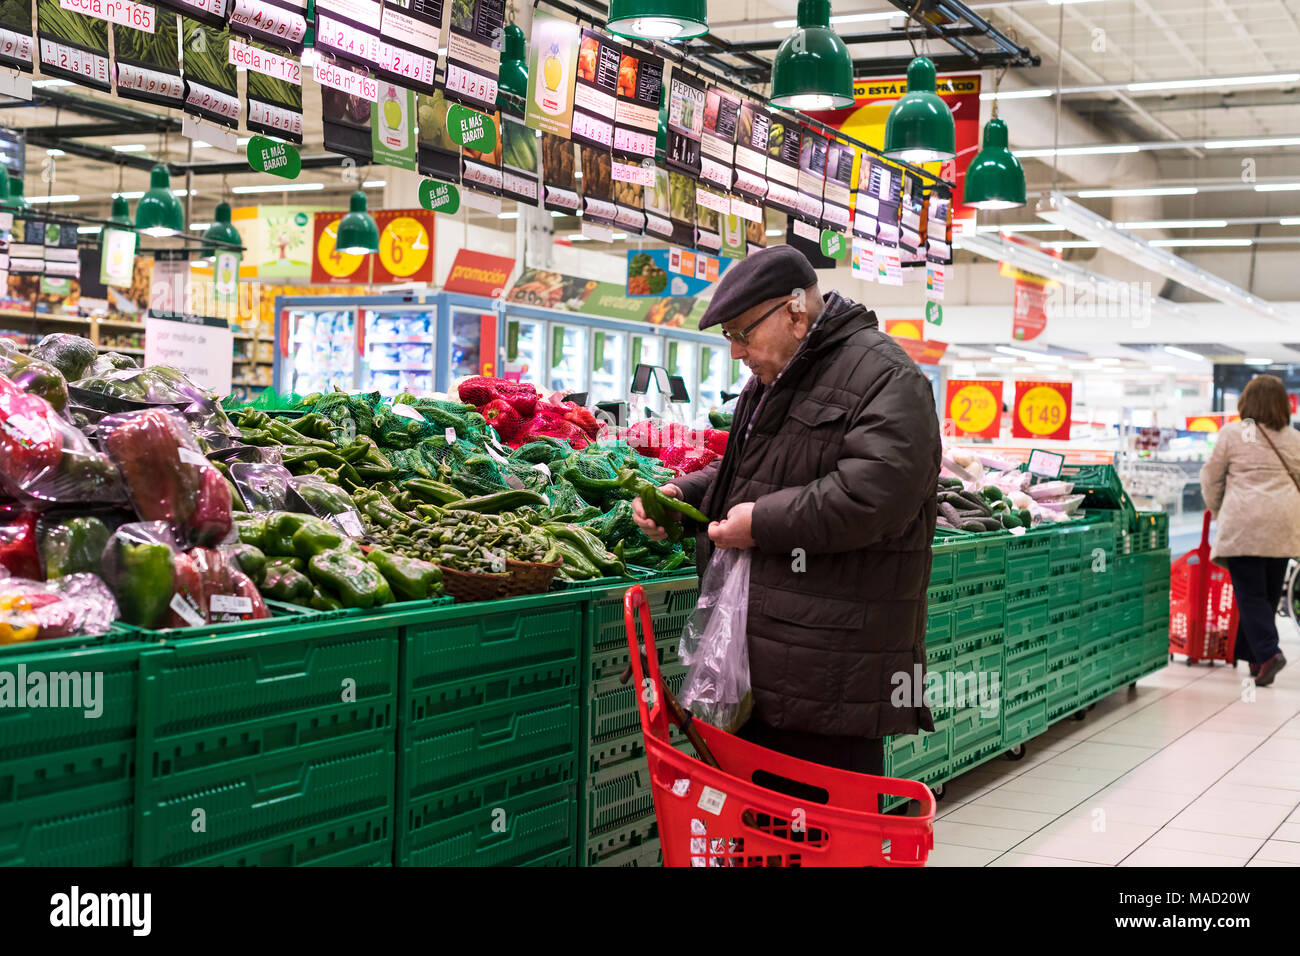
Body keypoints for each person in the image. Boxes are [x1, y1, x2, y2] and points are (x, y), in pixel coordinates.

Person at [632, 244, 941, 779]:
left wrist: (762, 525)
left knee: (824, 832)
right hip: (768, 665)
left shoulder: (888, 379)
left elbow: (871, 498)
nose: (735, 351)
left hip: (831, 675)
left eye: (741, 333)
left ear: (796, 311)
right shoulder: (772, 381)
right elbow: (753, 477)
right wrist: (685, 498)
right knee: (764, 834)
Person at [1200, 374, 1299, 686]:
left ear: (1246, 403)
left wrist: (1219, 511)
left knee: (1250, 595)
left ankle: (1269, 653)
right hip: (1283, 525)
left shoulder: (1233, 434)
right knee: (1268, 595)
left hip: (1244, 524)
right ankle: (1256, 660)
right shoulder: (1295, 438)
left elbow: (1211, 479)